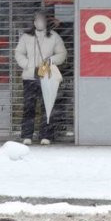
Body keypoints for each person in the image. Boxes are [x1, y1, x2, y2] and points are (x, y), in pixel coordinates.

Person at [15, 11, 67, 146]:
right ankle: (27, 135)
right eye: (37, 20)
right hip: (29, 77)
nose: (40, 23)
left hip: (47, 76)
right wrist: (27, 65)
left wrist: (50, 60)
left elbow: (62, 54)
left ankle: (46, 135)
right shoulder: (26, 37)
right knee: (29, 107)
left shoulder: (54, 37)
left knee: (47, 106)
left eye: (42, 20)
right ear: (34, 22)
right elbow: (19, 53)